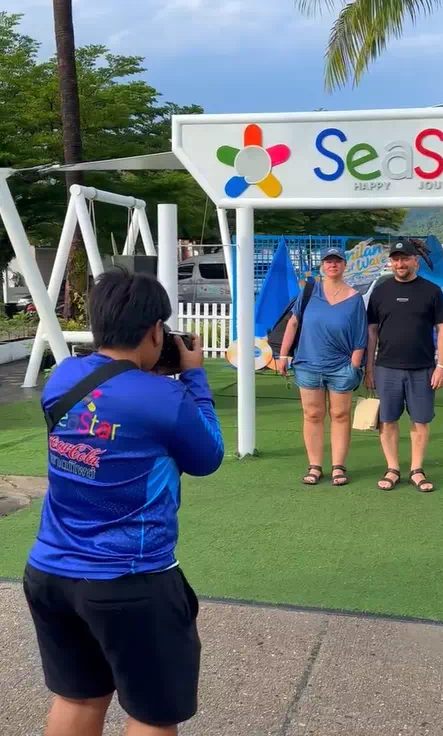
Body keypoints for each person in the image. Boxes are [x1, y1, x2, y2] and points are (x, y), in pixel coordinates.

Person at [23, 270, 224, 736]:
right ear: (156, 330)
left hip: (50, 572)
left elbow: (112, 393)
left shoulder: (63, 377)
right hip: (131, 582)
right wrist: (194, 377)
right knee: (152, 716)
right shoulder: (167, 397)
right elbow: (208, 456)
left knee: (79, 699)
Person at [365, 239, 443, 493]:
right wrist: (369, 368)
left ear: (415, 261)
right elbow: (371, 332)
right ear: (391, 262)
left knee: (420, 421)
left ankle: (416, 469)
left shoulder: (431, 291)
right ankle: (392, 468)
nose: (399, 264)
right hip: (386, 368)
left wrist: (441, 366)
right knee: (388, 420)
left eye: (405, 259)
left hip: (423, 369)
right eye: (395, 259)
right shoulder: (380, 292)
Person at [278, 247, 368, 486]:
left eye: (337, 261)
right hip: (308, 364)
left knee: (340, 415)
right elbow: (293, 323)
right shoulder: (308, 292)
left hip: (341, 367)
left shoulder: (354, 298)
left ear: (344, 266)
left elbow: (361, 335)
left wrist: (355, 365)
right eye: (328, 261)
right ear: (322, 266)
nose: (332, 265)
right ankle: (315, 466)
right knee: (312, 414)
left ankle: (338, 467)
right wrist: (283, 355)